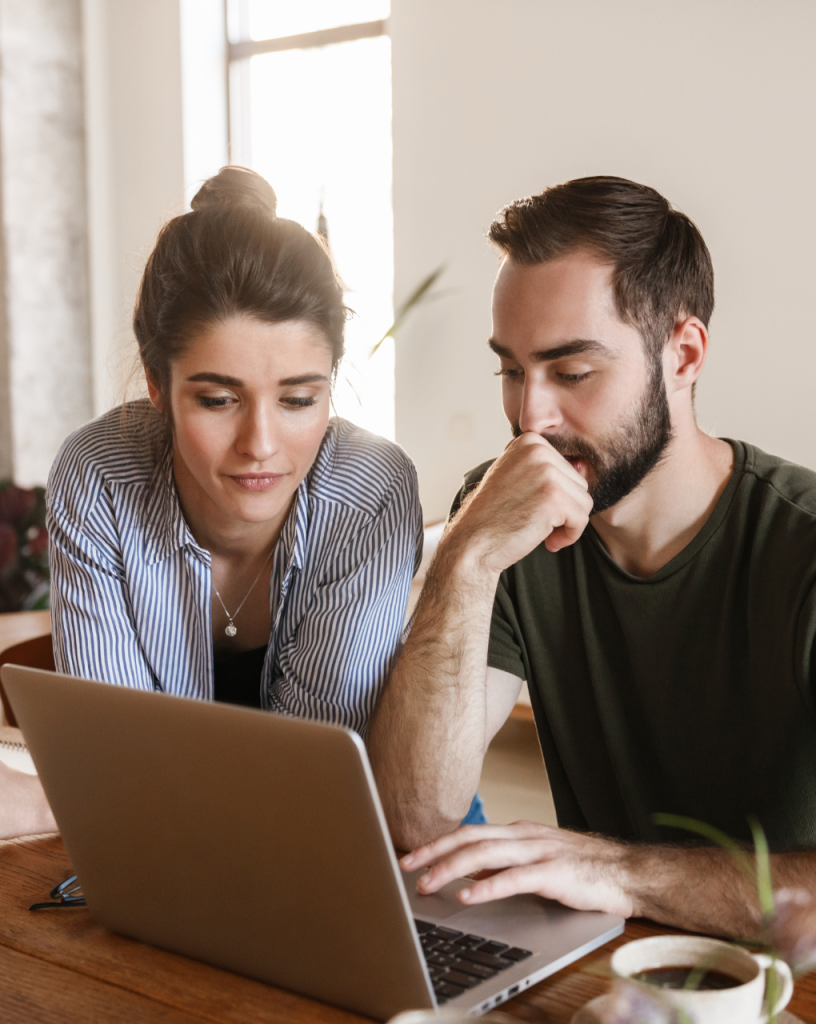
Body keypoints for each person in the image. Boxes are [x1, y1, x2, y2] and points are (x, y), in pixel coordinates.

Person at [369, 176, 816, 940]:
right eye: (511, 370)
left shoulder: (799, 546)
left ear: (683, 354)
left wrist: (619, 871)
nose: (529, 418)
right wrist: (467, 555)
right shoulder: (504, 516)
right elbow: (415, 818)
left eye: (571, 373)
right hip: (604, 968)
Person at [1, 166, 428, 839]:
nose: (260, 445)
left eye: (297, 400)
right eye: (217, 399)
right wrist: (100, 788)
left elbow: (307, 784)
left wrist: (47, 804)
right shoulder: (101, 474)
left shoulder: (370, 492)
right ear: (155, 383)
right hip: (169, 844)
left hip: (351, 842)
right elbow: (115, 754)